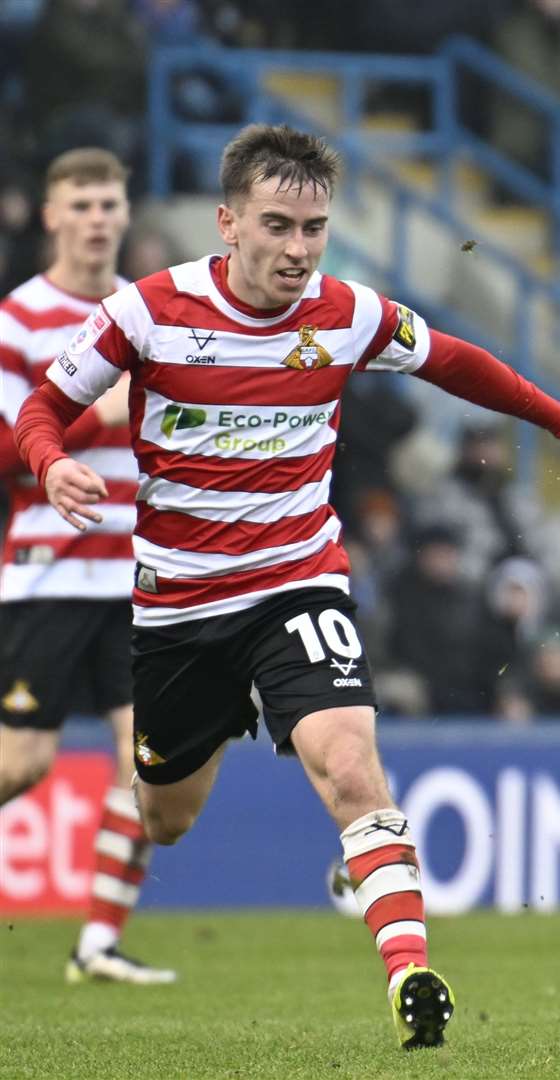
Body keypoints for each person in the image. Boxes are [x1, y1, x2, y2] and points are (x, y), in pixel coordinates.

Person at [11, 124, 560, 1049]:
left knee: (350, 766)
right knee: (166, 817)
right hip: (180, 609)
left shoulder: (348, 313)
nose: (298, 251)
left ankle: (410, 976)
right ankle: (356, 860)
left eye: (314, 229)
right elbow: (41, 407)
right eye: (277, 226)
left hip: (297, 581)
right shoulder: (147, 312)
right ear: (227, 223)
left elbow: (455, 360)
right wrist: (48, 461)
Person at [0, 148, 176, 986]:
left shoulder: (144, 313)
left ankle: (97, 944)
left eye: (112, 202)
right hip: (52, 572)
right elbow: (4, 448)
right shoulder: (20, 319)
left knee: (149, 762)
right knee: (23, 765)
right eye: (83, 204)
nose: (100, 217)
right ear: (51, 215)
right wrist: (97, 417)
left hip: (138, 575)